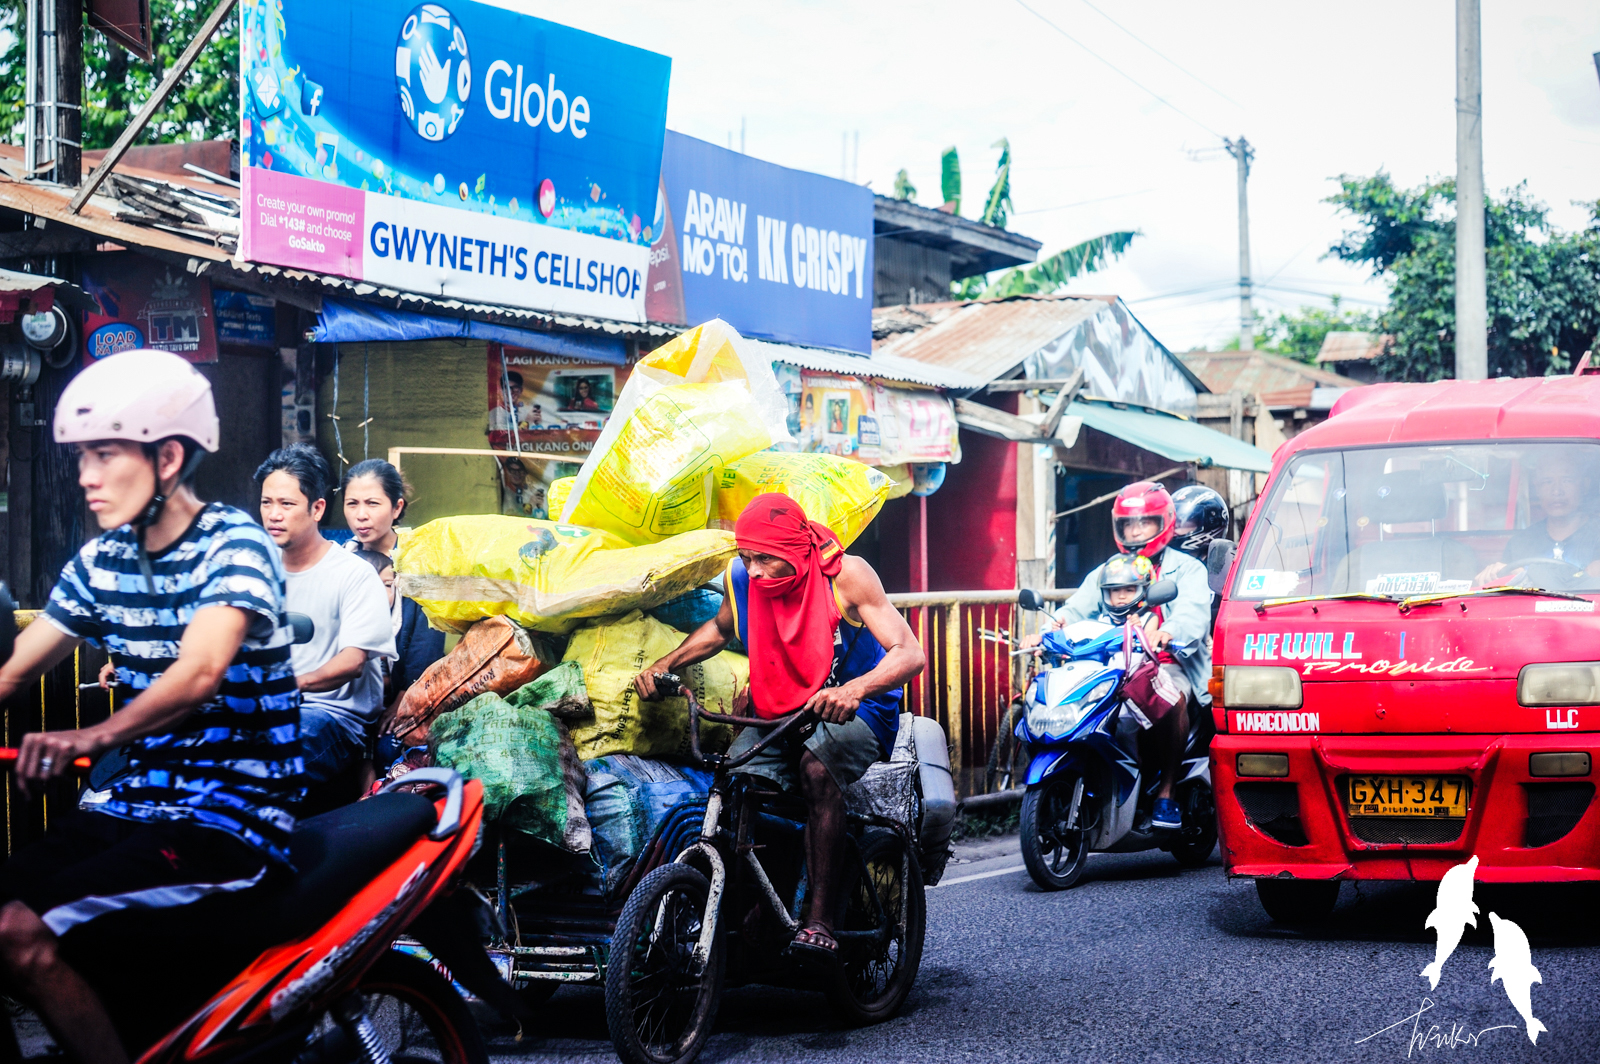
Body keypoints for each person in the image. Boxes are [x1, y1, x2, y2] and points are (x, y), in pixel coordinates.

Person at [0, 350, 301, 1064]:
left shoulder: (233, 547)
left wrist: (92, 733)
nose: (86, 478)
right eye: (81, 457)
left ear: (167, 457)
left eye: (104, 454)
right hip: (129, 805)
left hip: (230, 817)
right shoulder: (102, 561)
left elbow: (198, 672)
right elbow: (14, 670)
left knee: (17, 929)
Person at [633, 493, 924, 962]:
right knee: (739, 781)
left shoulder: (845, 575)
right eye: (747, 557)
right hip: (782, 704)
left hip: (857, 707)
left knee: (815, 771)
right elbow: (720, 629)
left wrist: (855, 690)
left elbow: (910, 654)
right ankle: (770, 901)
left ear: (795, 549)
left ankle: (820, 917)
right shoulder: (742, 579)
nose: (757, 570)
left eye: (766, 558)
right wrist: (668, 664)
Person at [1048, 481, 1212, 832]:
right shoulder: (1111, 568)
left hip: (1170, 662)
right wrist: (1055, 625)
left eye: (1145, 522)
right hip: (1115, 665)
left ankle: (1165, 794)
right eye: (1129, 524)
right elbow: (1077, 608)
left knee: (1171, 696)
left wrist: (1169, 631)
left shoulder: (1187, 569)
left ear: (1164, 521)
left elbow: (1193, 614)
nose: (1136, 531)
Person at [257, 445, 395, 786]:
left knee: (270, 753)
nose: (274, 514)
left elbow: (352, 662)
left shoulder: (354, 574)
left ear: (317, 508)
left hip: (332, 717)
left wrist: (289, 686)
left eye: (286, 504)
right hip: (263, 708)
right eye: (266, 502)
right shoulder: (254, 571)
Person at [1477, 453, 1600, 585]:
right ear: (1537, 488)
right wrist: (1494, 575)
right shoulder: (1520, 543)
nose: (1557, 491)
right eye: (1547, 482)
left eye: (1567, 480)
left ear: (1585, 485)